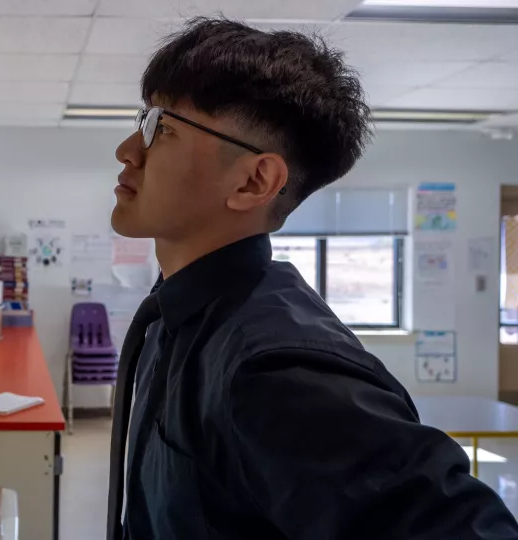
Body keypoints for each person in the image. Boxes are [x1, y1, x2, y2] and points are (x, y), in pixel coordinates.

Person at [106, 17, 518, 540]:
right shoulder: (176, 313)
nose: (127, 149)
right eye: (145, 120)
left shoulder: (277, 370)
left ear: (255, 180)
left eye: (162, 130)